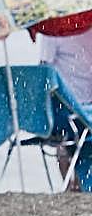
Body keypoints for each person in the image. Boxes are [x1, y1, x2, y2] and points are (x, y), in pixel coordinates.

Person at [38, 30, 92, 191]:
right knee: (73, 136)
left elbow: (44, 70)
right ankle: (78, 185)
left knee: (63, 137)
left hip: (65, 108)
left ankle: (70, 186)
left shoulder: (51, 30)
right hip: (83, 109)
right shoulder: (86, 26)